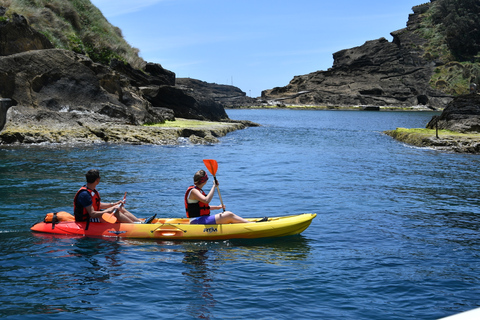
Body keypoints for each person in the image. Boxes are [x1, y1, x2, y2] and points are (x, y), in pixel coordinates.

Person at [185, 169, 268, 224]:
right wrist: (214, 186)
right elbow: (206, 200)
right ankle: (252, 224)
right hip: (197, 221)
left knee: (227, 215)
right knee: (228, 214)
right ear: (205, 181)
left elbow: (201, 207)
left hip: (202, 219)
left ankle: (246, 222)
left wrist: (217, 207)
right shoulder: (194, 191)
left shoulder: (197, 190)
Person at [74, 169, 155, 223]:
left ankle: (140, 222)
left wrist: (114, 204)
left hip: (92, 216)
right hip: (87, 220)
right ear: (97, 180)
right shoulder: (84, 194)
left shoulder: (91, 191)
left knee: (119, 208)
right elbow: (92, 214)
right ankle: (135, 226)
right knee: (115, 212)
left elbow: (97, 204)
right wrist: (110, 210)